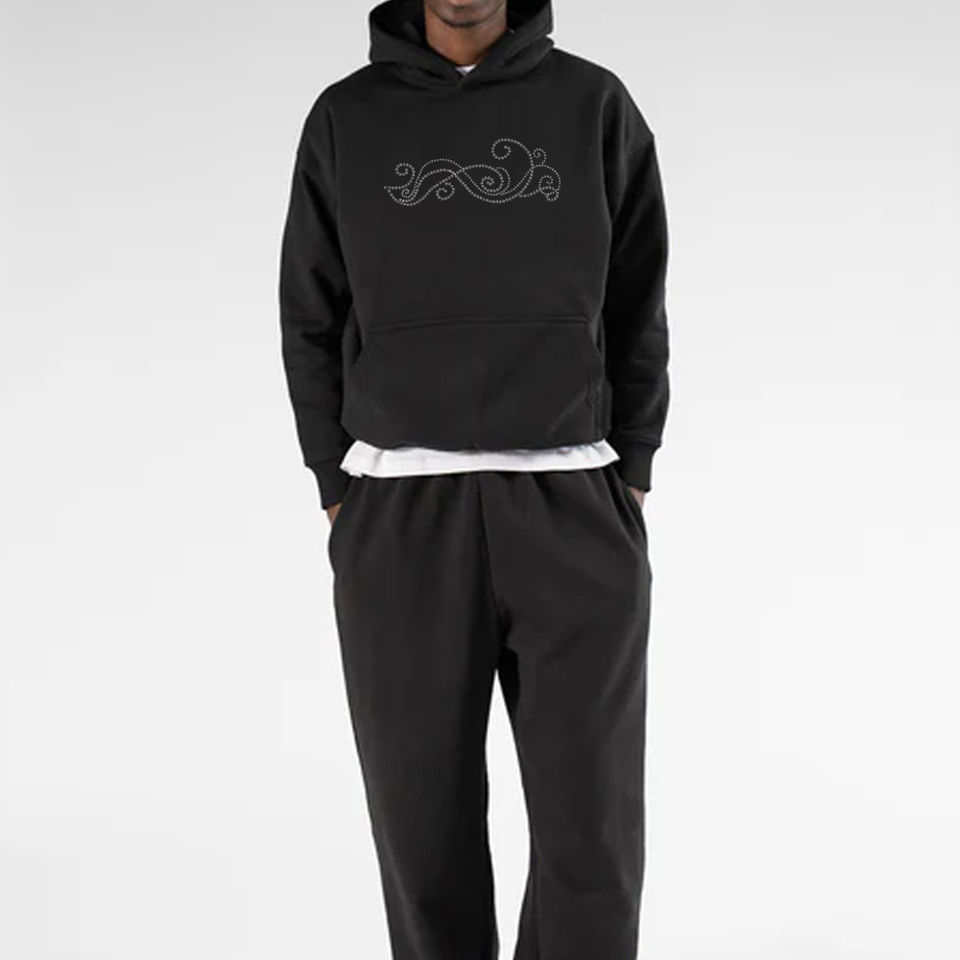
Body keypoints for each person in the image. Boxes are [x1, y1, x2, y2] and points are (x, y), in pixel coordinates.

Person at [277, 0, 670, 956]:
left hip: (571, 502)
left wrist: (633, 462)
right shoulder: (346, 117)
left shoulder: (594, 105)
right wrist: (336, 479)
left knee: (592, 833)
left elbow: (639, 294)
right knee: (423, 833)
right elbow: (309, 310)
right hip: (400, 510)